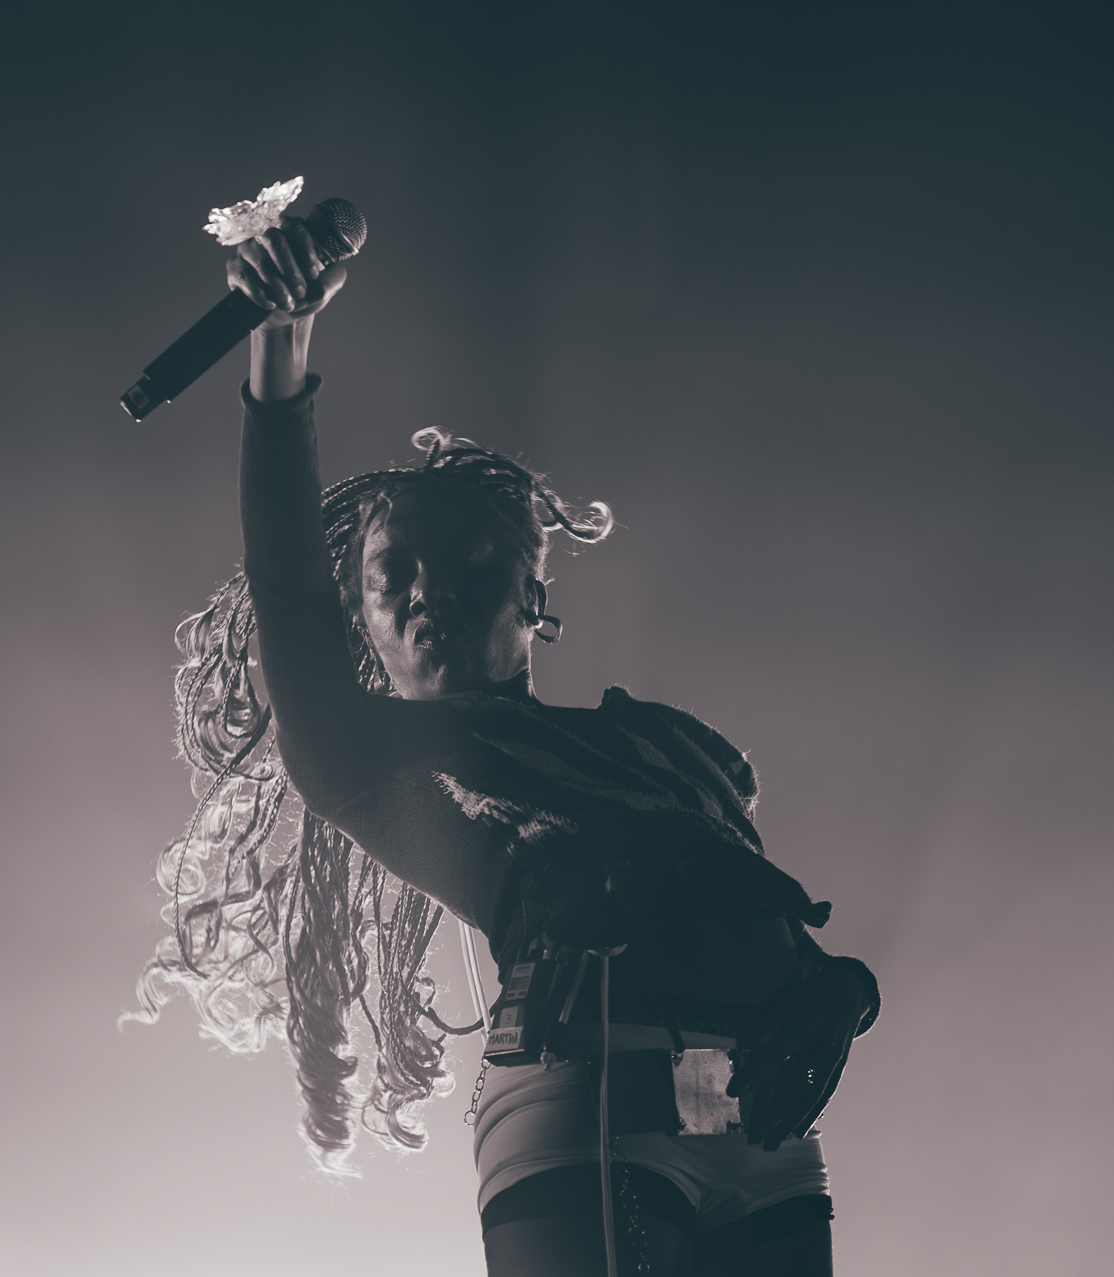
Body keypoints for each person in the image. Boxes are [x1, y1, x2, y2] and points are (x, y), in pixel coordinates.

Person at [130, 218, 880, 1277]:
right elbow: (288, 582)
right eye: (395, 576)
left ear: (534, 598)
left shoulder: (665, 746)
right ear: (362, 622)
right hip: (589, 1091)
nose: (427, 591)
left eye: (466, 564)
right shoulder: (377, 757)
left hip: (753, 1121)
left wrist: (844, 989)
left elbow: (750, 904)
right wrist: (281, 347)